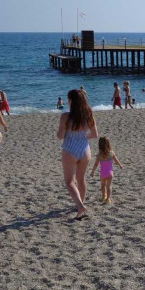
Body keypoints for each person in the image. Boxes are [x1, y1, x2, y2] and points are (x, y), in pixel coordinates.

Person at [58, 89, 98, 220]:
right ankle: (81, 203)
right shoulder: (88, 115)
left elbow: (60, 136)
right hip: (85, 149)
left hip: (70, 149)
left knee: (69, 181)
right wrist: (82, 136)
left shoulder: (65, 116)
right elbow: (95, 134)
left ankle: (80, 206)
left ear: (71, 101)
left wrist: (67, 132)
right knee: (81, 179)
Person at [90, 136, 123, 204]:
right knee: (109, 186)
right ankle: (108, 199)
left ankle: (103, 196)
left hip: (103, 173)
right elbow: (116, 160)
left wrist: (93, 171)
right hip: (110, 173)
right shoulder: (111, 153)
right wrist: (120, 165)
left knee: (103, 185)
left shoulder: (99, 155)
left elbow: (96, 164)